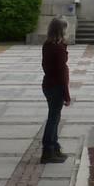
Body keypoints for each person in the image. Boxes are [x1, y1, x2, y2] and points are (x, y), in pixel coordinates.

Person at [40, 18, 72, 164]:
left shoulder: (47, 45)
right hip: (56, 86)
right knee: (53, 119)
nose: (67, 32)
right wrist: (67, 95)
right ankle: (48, 151)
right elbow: (61, 74)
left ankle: (54, 147)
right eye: (65, 29)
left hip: (48, 84)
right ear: (61, 31)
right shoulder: (58, 48)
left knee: (54, 117)